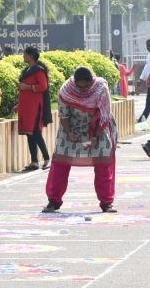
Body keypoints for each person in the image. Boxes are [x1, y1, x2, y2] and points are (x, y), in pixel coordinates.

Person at [44, 67, 118, 213]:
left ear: (92, 81)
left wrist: (96, 136)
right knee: (60, 163)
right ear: (75, 82)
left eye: (86, 86)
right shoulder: (66, 90)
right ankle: (53, 201)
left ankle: (106, 202)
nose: (83, 90)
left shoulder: (101, 88)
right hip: (71, 127)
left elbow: (105, 114)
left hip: (97, 126)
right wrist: (69, 133)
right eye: (80, 86)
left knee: (103, 164)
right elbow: (63, 115)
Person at [17, 47, 53, 170]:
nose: (23, 56)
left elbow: (43, 86)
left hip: (36, 107)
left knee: (36, 133)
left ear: (31, 56)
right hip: (26, 107)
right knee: (29, 134)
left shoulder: (39, 71)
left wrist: (27, 87)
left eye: (25, 54)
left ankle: (47, 158)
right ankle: (34, 162)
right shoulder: (28, 69)